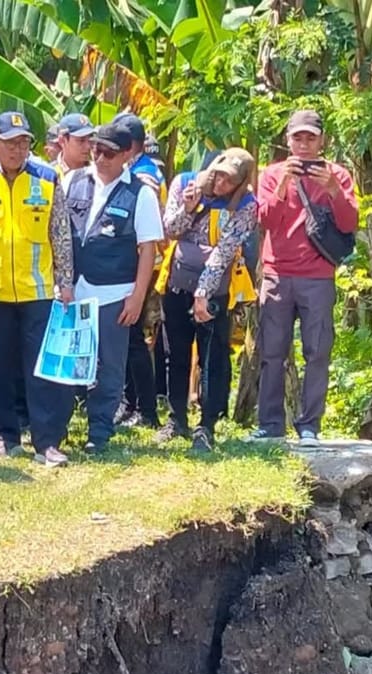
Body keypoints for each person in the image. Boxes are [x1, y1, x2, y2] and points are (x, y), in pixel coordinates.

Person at [0, 111, 75, 466]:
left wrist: (65, 282)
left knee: (40, 369)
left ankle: (46, 442)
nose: (17, 150)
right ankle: (4, 437)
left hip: (37, 291)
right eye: (10, 143)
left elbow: (61, 236)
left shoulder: (48, 179)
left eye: (23, 143)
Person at [253, 109, 358, 442]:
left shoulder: (337, 175)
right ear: (288, 140)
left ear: (322, 141)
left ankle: (310, 425)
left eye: (310, 137)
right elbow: (266, 220)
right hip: (277, 274)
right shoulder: (270, 174)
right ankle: (270, 425)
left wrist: (333, 191)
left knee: (317, 353)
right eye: (298, 137)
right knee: (271, 352)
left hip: (318, 276)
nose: (304, 144)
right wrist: (285, 183)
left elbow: (349, 224)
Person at [63, 123, 162, 452]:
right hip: (73, 288)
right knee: (67, 361)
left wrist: (137, 297)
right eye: (96, 150)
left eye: (109, 153)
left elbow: (148, 249)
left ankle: (99, 432)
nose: (100, 158)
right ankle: (58, 428)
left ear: (127, 155)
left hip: (114, 291)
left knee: (110, 366)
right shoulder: (73, 181)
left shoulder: (140, 193)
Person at [157, 149, 257, 452]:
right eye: (219, 176)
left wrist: (203, 293)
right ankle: (176, 418)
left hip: (216, 285)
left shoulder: (246, 206)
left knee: (213, 356)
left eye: (230, 181)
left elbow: (223, 253)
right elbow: (169, 229)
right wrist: (188, 208)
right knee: (175, 352)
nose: (221, 185)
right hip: (176, 281)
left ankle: (207, 425)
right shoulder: (185, 183)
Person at [110, 112, 163, 431]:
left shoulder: (144, 177)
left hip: (143, 269)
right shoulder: (134, 170)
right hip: (129, 268)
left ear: (129, 147)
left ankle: (145, 409)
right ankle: (131, 404)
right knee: (127, 340)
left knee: (135, 340)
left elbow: (147, 234)